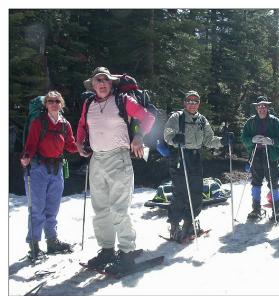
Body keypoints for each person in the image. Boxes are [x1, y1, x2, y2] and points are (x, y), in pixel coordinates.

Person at [76, 66, 155, 274]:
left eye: (105, 80)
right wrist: (78, 143)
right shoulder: (88, 103)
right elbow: (83, 125)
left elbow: (147, 118)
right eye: (98, 80)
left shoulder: (123, 100)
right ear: (92, 85)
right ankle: (107, 250)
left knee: (118, 209)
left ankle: (127, 253)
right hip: (96, 160)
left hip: (118, 158)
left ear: (111, 83)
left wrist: (138, 137)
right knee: (100, 209)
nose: (102, 83)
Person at [163, 90, 233, 242]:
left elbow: (209, 140)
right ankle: (174, 225)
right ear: (185, 102)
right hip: (180, 156)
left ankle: (189, 223)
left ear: (199, 103)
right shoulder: (177, 117)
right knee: (180, 191)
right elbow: (167, 135)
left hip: (194, 156)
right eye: (189, 101)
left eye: (195, 101)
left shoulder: (202, 120)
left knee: (196, 192)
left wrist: (222, 141)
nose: (192, 104)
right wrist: (175, 138)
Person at [21, 91, 78, 259]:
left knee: (53, 207)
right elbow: (31, 144)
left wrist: (84, 149)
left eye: (57, 101)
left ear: (61, 104)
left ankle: (52, 241)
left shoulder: (65, 124)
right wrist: (26, 157)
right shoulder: (39, 122)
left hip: (57, 168)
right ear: (46, 104)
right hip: (38, 168)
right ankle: (34, 245)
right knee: (37, 208)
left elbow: (70, 145)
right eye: (50, 101)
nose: (54, 103)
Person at [241, 96, 279, 222]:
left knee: (274, 182)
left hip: (270, 156)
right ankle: (256, 209)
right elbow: (244, 138)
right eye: (260, 106)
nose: (262, 108)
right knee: (256, 181)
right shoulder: (250, 122)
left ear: (267, 107)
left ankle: (276, 211)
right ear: (256, 108)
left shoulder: (275, 121)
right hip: (256, 155)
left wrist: (271, 141)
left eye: (264, 106)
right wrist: (251, 140)